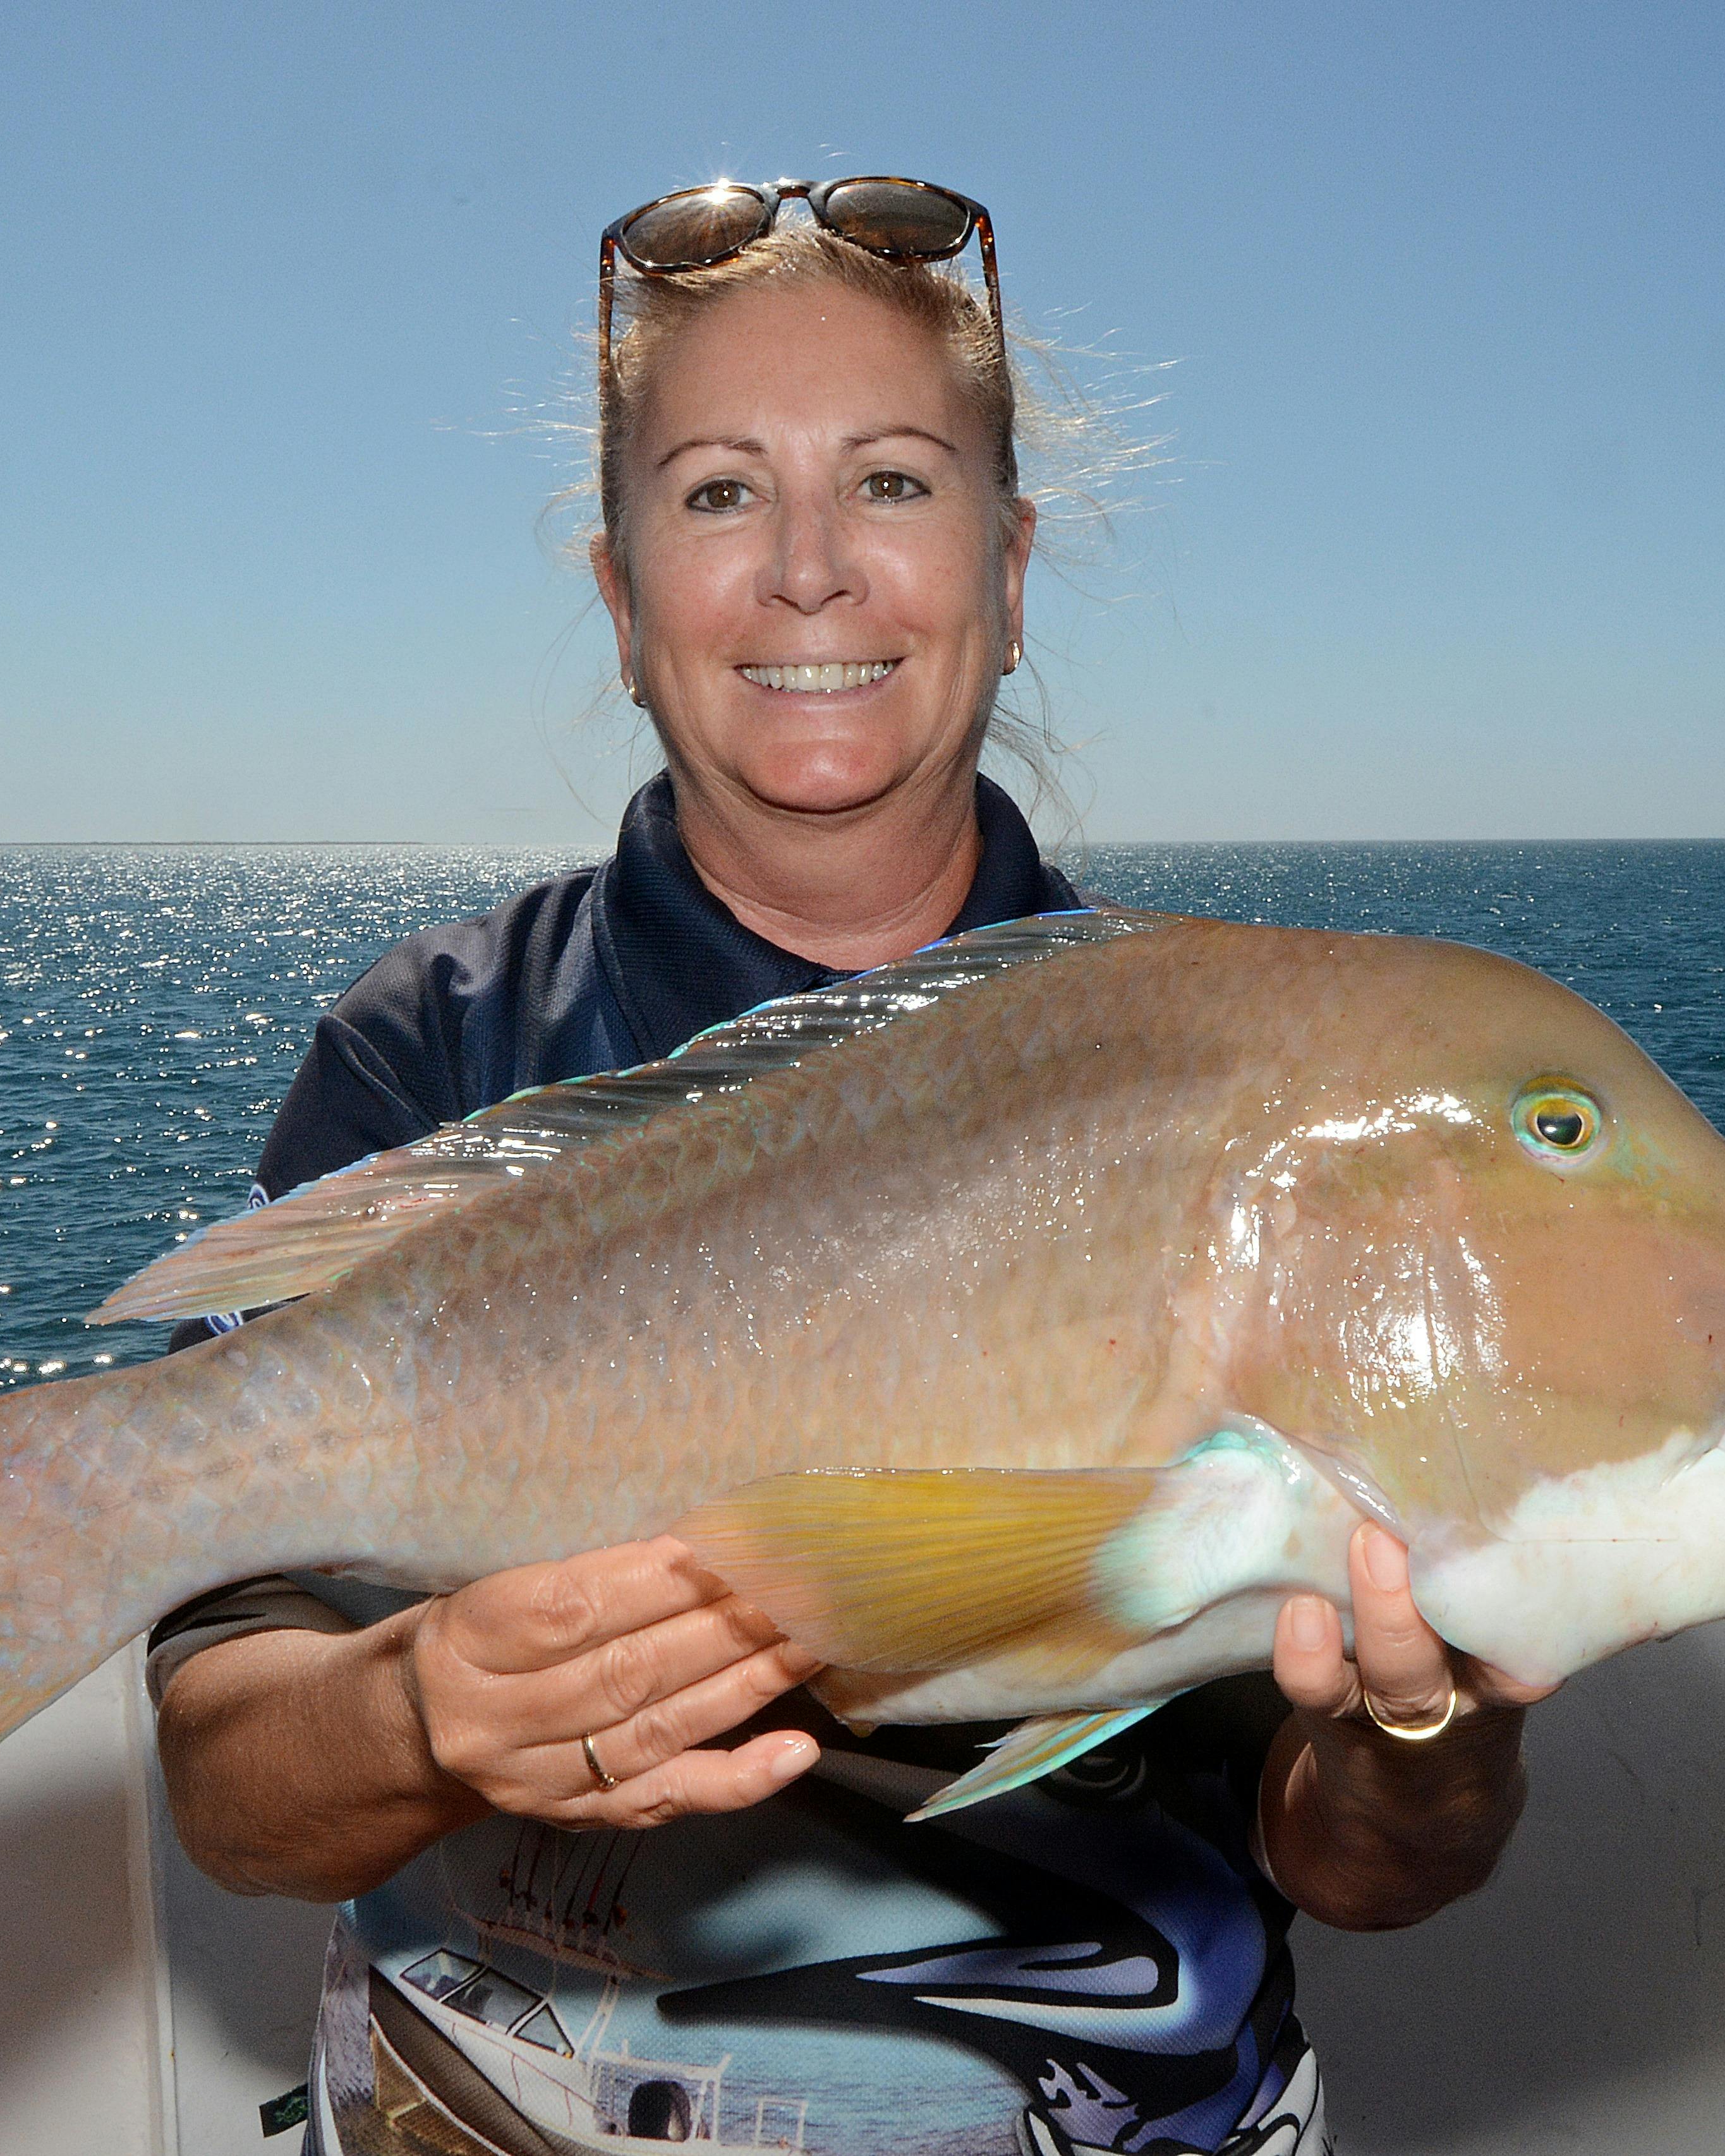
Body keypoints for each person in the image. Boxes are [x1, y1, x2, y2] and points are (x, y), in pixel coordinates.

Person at [152, 177, 1548, 2156]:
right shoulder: (436, 1052)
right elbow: (233, 1794)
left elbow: (1364, 1863)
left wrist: (1423, 1738)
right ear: (622, 600)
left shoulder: (1238, 1102)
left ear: (1010, 566)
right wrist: (411, 1712)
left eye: (891, 482)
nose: (809, 571)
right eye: (720, 493)